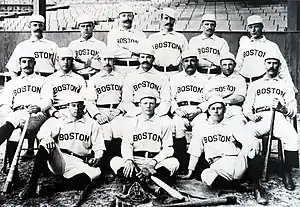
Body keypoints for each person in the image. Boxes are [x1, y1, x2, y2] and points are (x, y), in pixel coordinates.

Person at [181, 96, 268, 205]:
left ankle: (256, 189)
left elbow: (246, 140)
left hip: (236, 162)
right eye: (213, 108)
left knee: (251, 146)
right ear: (208, 110)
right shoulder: (202, 127)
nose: (216, 111)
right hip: (217, 166)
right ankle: (237, 187)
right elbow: (195, 151)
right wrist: (190, 171)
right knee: (205, 175)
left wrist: (249, 149)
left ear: (225, 110)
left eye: (219, 108)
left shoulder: (232, 124)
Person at [21, 96, 106, 199]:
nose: (76, 108)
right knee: (45, 143)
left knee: (96, 174)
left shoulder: (92, 124)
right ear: (68, 107)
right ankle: (31, 185)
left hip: (79, 162)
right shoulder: (61, 121)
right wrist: (47, 138)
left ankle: (50, 187)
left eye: (79, 105)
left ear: (83, 107)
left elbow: (99, 146)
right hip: (61, 159)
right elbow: (42, 133)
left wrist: (97, 158)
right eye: (73, 105)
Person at [243, 52, 298, 191]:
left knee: (292, 137)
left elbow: (293, 109)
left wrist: (283, 108)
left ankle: (286, 173)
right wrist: (250, 115)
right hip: (260, 117)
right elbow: (247, 105)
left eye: (275, 63)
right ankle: (253, 173)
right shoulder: (255, 84)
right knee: (246, 133)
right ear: (264, 64)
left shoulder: (285, 85)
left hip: (278, 117)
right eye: (269, 63)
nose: (272, 66)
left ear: (279, 66)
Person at [110, 89, 179, 191]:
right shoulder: (132, 122)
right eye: (145, 103)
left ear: (156, 105)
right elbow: (126, 144)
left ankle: (136, 181)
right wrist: (129, 160)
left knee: (174, 162)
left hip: (154, 161)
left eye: (151, 103)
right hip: (136, 159)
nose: (148, 106)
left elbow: (168, 149)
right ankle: (149, 183)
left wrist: (153, 163)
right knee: (115, 161)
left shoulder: (164, 122)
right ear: (139, 105)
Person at [0, 50, 49, 185]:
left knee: (13, 123)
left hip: (36, 116)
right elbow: (5, 103)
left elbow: (48, 100)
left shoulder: (43, 80)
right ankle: (13, 173)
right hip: (17, 116)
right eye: (24, 62)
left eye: (30, 61)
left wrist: (39, 107)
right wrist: (9, 112)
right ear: (19, 64)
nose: (27, 64)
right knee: (14, 132)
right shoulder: (12, 83)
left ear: (34, 63)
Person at [85, 49, 124, 170]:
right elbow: (90, 101)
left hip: (116, 111)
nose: (107, 62)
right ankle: (103, 163)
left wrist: (118, 111)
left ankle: (117, 161)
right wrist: (97, 115)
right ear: (99, 61)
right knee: (103, 129)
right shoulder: (94, 79)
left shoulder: (120, 77)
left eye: (110, 59)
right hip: (101, 111)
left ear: (114, 61)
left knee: (121, 128)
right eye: (104, 59)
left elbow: (126, 99)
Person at [170, 49, 208, 171]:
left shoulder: (204, 78)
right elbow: (170, 98)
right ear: (182, 63)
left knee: (202, 125)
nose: (189, 63)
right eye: (186, 61)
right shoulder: (175, 78)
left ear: (196, 62)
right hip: (181, 109)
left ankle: (198, 162)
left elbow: (208, 99)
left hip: (198, 110)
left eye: (192, 60)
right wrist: (176, 110)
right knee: (177, 124)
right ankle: (182, 161)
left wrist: (199, 110)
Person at [236, 15, 295, 91]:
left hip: (262, 83)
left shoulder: (271, 45)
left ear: (262, 27)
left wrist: (290, 85)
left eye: (256, 27)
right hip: (244, 84)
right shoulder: (244, 46)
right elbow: (238, 66)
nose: (253, 30)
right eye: (250, 27)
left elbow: (282, 67)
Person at [121, 44, 171, 117]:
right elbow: (126, 100)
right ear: (139, 59)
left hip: (157, 111)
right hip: (136, 111)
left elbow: (166, 100)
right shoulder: (131, 76)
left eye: (148, 57)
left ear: (153, 59)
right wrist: (138, 112)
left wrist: (156, 113)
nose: (145, 60)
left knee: (168, 125)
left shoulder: (162, 77)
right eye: (142, 57)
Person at [42, 47, 87, 119]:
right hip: (57, 113)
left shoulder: (79, 79)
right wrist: (56, 114)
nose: (66, 62)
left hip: (77, 113)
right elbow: (47, 102)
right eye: (63, 59)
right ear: (57, 60)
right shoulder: (50, 79)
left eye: (68, 59)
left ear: (72, 60)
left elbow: (85, 100)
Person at [204, 53, 247, 126]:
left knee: (240, 123)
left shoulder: (240, 79)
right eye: (224, 65)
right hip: (216, 111)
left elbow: (240, 98)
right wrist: (226, 94)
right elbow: (207, 96)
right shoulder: (213, 79)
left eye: (230, 64)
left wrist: (218, 97)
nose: (227, 67)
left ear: (234, 65)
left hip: (234, 110)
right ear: (220, 66)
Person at [107, 5, 146, 77]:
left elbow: (143, 50)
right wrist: (133, 53)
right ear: (119, 18)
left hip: (136, 68)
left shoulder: (140, 34)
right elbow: (113, 52)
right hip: (118, 68)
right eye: (124, 16)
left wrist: (125, 47)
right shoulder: (113, 33)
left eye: (129, 16)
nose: (127, 18)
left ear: (133, 17)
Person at [148, 7, 188, 76]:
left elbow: (186, 57)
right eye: (166, 18)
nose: (168, 21)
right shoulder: (153, 37)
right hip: (157, 72)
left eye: (171, 19)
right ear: (161, 19)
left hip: (174, 72)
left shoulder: (181, 37)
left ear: (174, 21)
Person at [188, 14, 230, 78]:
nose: (209, 27)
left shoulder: (222, 42)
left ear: (215, 26)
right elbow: (194, 61)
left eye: (212, 25)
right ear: (202, 25)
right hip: (199, 75)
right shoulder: (194, 41)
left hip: (216, 75)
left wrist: (206, 58)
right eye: (207, 24)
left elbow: (223, 62)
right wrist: (212, 62)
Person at [68, 14, 107, 80]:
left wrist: (85, 61)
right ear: (79, 28)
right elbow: (70, 65)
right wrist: (91, 63)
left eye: (88, 26)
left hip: (96, 78)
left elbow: (104, 65)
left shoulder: (101, 45)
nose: (86, 28)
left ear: (93, 27)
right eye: (83, 26)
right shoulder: (73, 45)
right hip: (78, 78)